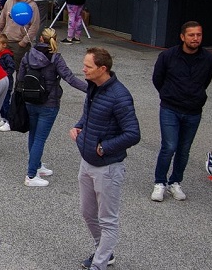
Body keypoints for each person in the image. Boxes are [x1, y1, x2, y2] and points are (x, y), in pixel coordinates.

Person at [71, 47, 141, 270]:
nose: (83, 69)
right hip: (87, 161)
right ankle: (105, 253)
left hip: (108, 168)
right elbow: (88, 114)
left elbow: (133, 133)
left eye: (88, 66)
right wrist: (78, 127)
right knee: (87, 212)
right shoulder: (93, 87)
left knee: (107, 220)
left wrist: (104, 148)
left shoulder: (120, 96)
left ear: (103, 69)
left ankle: (99, 264)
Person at [151, 21, 212, 202]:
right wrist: (168, 94)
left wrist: (196, 95)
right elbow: (158, 78)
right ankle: (160, 183)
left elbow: (206, 81)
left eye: (199, 35)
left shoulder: (208, 59)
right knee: (169, 146)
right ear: (182, 37)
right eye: (191, 35)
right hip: (170, 108)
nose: (195, 38)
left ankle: (175, 182)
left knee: (184, 149)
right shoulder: (168, 56)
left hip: (194, 111)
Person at [18, 28, 88, 186]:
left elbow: (20, 78)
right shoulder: (55, 58)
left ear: (40, 39)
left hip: (30, 100)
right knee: (40, 139)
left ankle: (36, 165)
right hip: (49, 103)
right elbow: (69, 78)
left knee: (34, 135)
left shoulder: (28, 55)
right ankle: (31, 175)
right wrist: (89, 89)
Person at [0, 0, 40, 67]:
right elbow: (2, 20)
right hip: (6, 41)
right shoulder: (9, 2)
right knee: (4, 69)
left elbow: (35, 25)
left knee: (20, 70)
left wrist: (24, 42)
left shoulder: (32, 5)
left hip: (19, 43)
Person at [0, 34, 16, 133]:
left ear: (4, 45)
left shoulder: (7, 56)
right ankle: (4, 118)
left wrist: (3, 74)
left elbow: (11, 67)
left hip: (6, 83)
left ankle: (9, 122)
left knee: (5, 103)